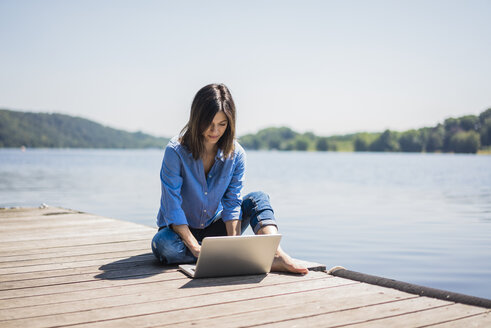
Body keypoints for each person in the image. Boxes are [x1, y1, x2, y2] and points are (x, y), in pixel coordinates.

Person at [151, 83, 308, 274]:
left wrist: (233, 245)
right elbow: (172, 206)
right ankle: (214, 256)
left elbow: (232, 203)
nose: (214, 131)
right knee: (163, 245)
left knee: (258, 198)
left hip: (216, 227)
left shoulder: (237, 154)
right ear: (196, 118)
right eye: (208, 123)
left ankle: (277, 255)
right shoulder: (175, 152)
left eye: (222, 124)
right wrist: (194, 247)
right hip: (179, 232)